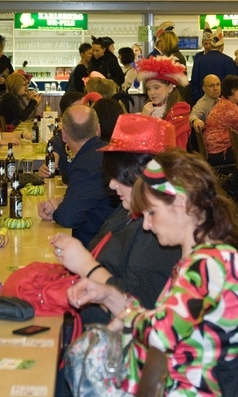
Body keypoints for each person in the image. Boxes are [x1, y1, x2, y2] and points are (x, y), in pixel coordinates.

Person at [66, 150, 238, 397]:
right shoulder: (198, 259)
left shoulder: (210, 263)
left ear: (180, 203)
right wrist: (107, 294)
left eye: (152, 213)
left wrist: (128, 317)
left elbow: (163, 334)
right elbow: (165, 318)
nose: (146, 224)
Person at [49, 113, 181, 326]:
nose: (111, 184)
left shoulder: (158, 234)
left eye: (119, 176)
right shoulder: (128, 209)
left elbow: (140, 309)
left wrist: (86, 265)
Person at [37, 105, 115, 247]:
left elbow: (68, 218)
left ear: (64, 135)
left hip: (97, 246)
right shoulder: (108, 151)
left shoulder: (86, 165)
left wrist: (57, 210)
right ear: (98, 129)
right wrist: (62, 201)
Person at [137, 56, 191, 149]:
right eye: (148, 88)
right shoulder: (151, 108)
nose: (151, 92)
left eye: (156, 87)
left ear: (170, 88)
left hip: (172, 157)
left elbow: (162, 136)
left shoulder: (180, 109)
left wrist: (144, 119)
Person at [202, 75, 238, 166]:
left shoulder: (223, 102)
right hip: (220, 152)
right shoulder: (230, 107)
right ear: (230, 90)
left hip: (212, 149)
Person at [189, 30, 236, 103]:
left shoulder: (199, 60)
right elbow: (233, 83)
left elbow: (194, 82)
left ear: (211, 46)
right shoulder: (228, 60)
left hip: (203, 99)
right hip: (223, 100)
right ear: (222, 46)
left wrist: (196, 97)